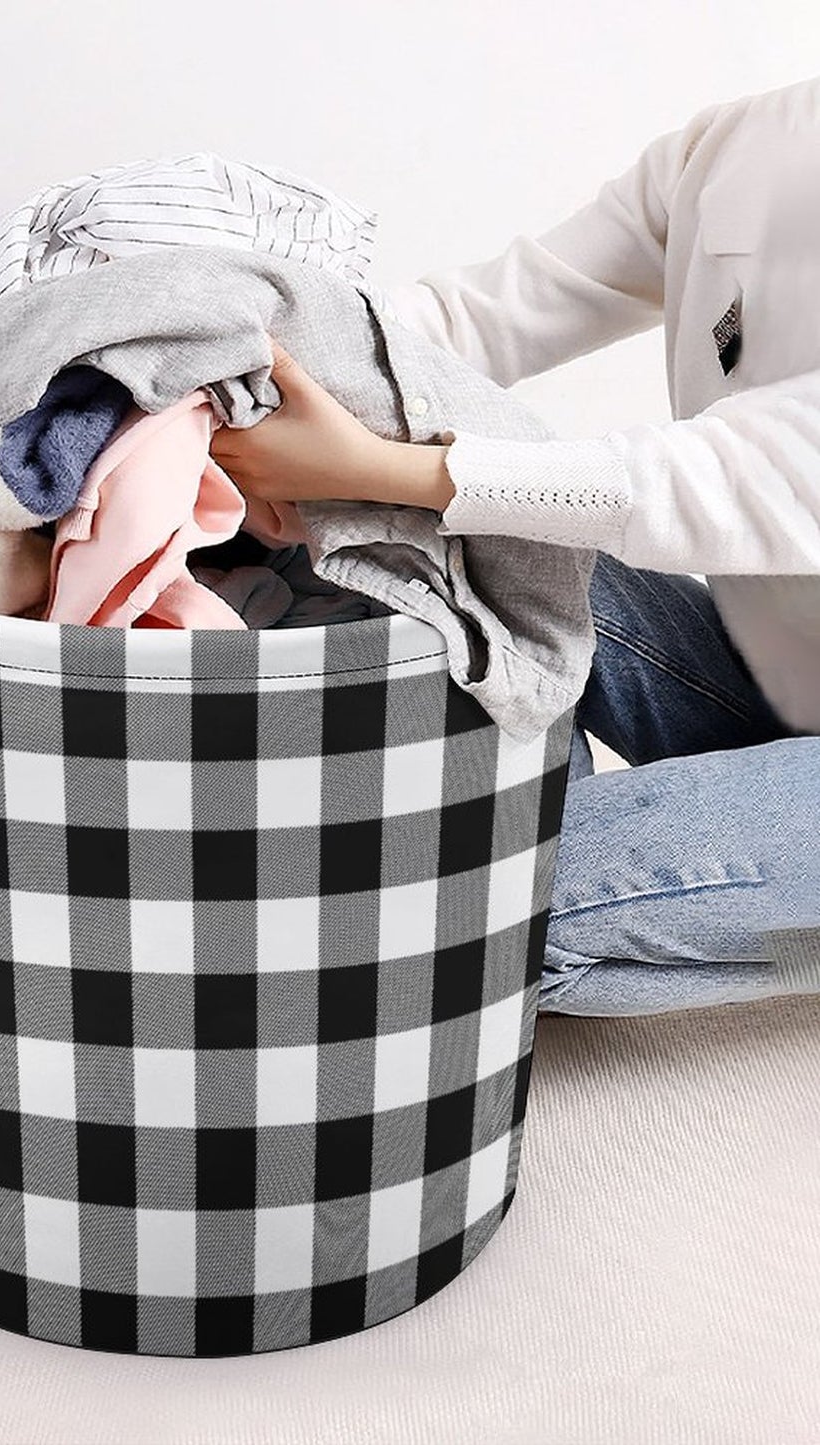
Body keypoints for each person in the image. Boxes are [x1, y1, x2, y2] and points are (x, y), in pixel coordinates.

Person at [211, 75, 820, 1017]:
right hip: (780, 687)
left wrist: (379, 465)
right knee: (451, 553)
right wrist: (241, 369)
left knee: (478, 903)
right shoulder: (738, 146)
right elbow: (479, 320)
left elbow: (728, 474)